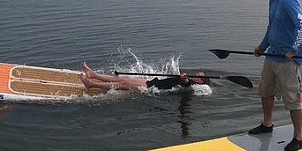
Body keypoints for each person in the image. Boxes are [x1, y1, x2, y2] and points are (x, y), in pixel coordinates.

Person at [249, 0, 302, 151]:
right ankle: (267, 124)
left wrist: (293, 49)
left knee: (293, 99)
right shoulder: (273, 1)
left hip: (288, 62)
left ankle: (298, 137)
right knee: (265, 91)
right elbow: (272, 26)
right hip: (272, 56)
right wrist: (262, 47)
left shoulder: (289, 0)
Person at [80, 62, 209, 91]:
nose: (197, 73)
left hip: (154, 88)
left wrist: (184, 79)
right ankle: (93, 74)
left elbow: (185, 84)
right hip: (154, 82)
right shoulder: (191, 81)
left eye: (199, 75)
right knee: (123, 79)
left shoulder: (193, 85)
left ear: (201, 81)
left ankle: (91, 84)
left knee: (123, 85)